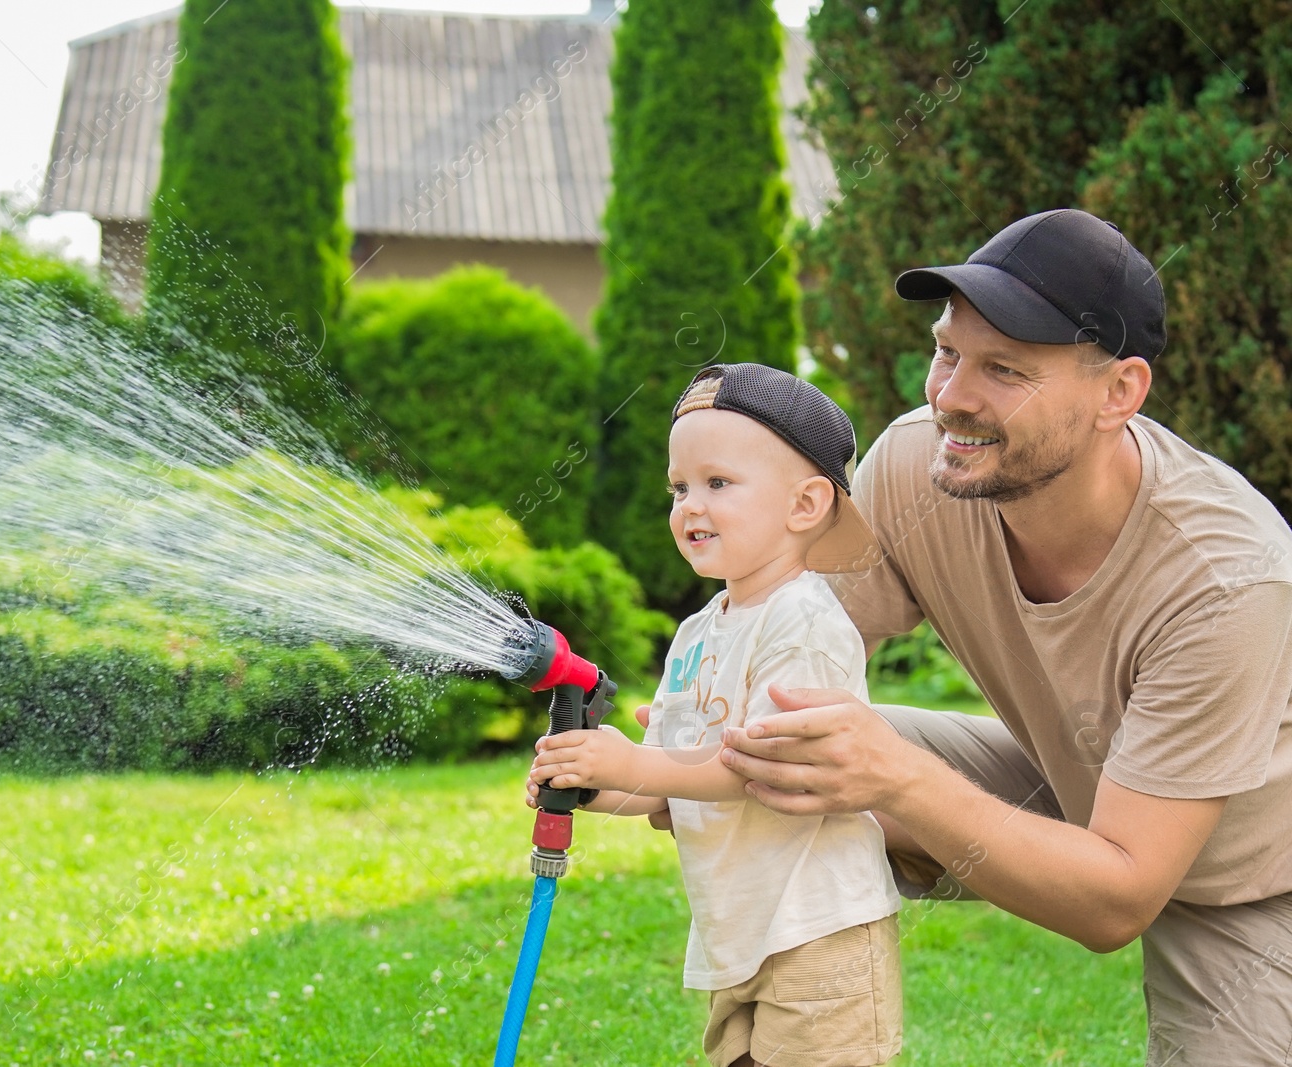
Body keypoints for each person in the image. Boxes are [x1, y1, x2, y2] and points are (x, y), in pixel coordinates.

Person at [715, 208, 1292, 1066]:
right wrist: (671, 756)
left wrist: (898, 777)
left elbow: (1116, 900)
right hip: (1079, 782)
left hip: (1255, 871)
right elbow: (787, 649)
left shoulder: (1226, 580)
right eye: (947, 352)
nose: (950, 397)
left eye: (1006, 370)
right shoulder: (920, 464)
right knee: (770, 747)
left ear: (1119, 393)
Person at [529, 362, 902, 1067]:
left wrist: (632, 759)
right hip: (737, 929)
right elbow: (668, 775)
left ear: (804, 504)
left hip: (819, 927)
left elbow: (763, 762)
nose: (688, 506)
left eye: (717, 483)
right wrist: (587, 779)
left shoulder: (805, 621)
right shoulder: (700, 632)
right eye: (678, 488)